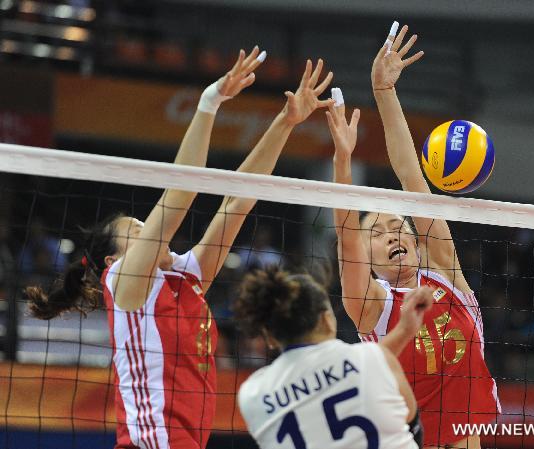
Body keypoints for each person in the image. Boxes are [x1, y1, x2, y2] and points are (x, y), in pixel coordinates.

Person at [25, 47, 335, 449]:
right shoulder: (123, 282)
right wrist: (211, 101)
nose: (151, 231)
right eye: (137, 231)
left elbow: (238, 201)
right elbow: (181, 191)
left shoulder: (187, 277)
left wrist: (286, 122)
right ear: (113, 259)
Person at [327, 23, 500, 449]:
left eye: (398, 226)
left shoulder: (445, 274)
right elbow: (347, 234)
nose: (391, 233)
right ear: (366, 257)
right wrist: (342, 163)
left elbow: (412, 178)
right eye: (378, 232)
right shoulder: (372, 307)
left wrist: (384, 92)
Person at [235, 265, 434, 449]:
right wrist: (406, 328)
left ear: (269, 337)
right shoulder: (373, 358)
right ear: (327, 320)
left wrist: (404, 330)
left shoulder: (253, 395)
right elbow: (413, 429)